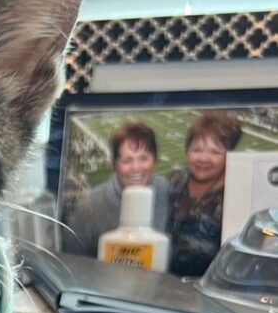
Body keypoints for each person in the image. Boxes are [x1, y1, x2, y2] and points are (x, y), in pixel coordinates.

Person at [63, 122, 168, 256]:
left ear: (155, 161)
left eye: (144, 158)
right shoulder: (90, 207)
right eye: (127, 160)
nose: (136, 168)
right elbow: (72, 260)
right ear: (114, 165)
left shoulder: (166, 192)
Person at [167, 111, 241, 276]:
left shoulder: (235, 197)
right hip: (163, 284)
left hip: (209, 289)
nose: (203, 158)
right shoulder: (174, 181)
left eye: (215, 152)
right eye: (197, 150)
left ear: (229, 156)